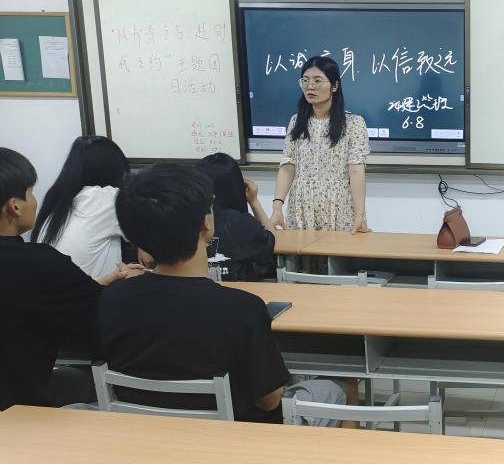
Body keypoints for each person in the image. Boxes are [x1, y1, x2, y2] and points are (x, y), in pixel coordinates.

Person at [100, 164, 345, 424]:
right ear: (205, 222)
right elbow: (269, 400)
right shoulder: (241, 308)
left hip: (145, 431)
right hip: (241, 438)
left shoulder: (112, 299)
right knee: (337, 390)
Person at [0, 147, 141, 411]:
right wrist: (130, 285)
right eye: (30, 192)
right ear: (14, 206)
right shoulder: (39, 263)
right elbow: (101, 316)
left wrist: (98, 284)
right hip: (20, 407)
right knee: (87, 382)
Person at [270, 55, 371, 235]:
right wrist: (277, 207)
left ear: (334, 86)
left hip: (339, 205)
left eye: (318, 80)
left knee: (339, 252)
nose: (310, 86)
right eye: (305, 80)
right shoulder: (296, 122)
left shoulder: (353, 123)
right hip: (301, 205)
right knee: (299, 252)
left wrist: (360, 214)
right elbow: (287, 166)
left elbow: (356, 170)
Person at [31, 135, 130, 278]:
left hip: (50, 288)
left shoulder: (57, 198)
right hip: (89, 290)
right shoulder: (106, 199)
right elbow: (150, 231)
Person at [196, 153, 276, 282]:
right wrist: (254, 202)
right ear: (236, 186)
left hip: (190, 291)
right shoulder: (242, 223)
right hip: (235, 292)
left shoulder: (182, 220)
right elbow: (271, 243)